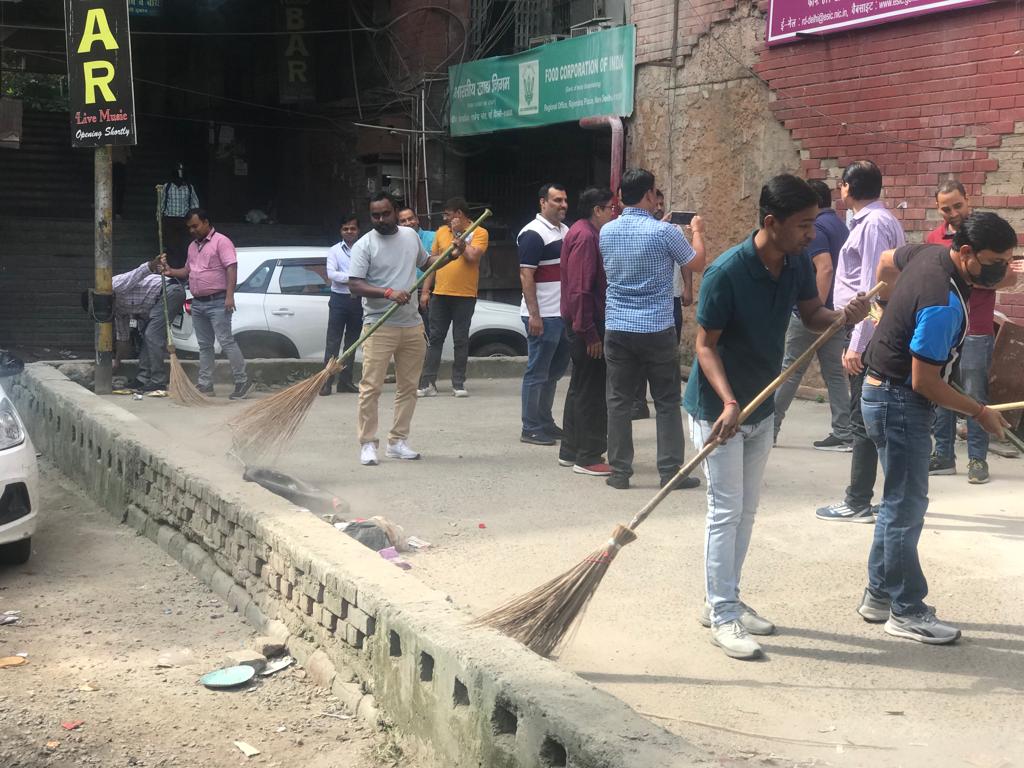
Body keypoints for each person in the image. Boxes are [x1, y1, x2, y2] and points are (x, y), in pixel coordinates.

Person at [684, 175, 870, 659]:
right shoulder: (725, 272)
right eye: (804, 224)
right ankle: (722, 614)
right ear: (772, 222)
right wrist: (728, 402)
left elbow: (812, 315)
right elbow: (704, 347)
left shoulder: (797, 263)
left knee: (746, 511)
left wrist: (844, 316)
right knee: (725, 510)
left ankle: (724, 597)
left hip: (761, 407)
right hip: (718, 410)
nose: (812, 233)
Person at [856, 212, 1016, 644]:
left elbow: (886, 261)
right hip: (898, 402)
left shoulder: (929, 254)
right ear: (966, 253)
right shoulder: (942, 303)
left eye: (1008, 260)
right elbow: (924, 381)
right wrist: (979, 412)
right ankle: (907, 609)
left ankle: (878, 595)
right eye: (996, 261)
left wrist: (887, 308)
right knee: (905, 508)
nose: (1003, 269)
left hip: (882, 393)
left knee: (897, 503)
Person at [601, 168, 706, 491]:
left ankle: (619, 472)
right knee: (666, 401)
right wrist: (697, 231)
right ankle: (670, 471)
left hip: (617, 325)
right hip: (656, 326)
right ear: (649, 194)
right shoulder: (666, 232)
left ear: (621, 196)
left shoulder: (607, 231)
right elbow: (697, 263)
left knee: (618, 401)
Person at [816, 161, 905, 522]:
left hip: (867, 331)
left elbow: (872, 288)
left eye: (842, 184)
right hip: (865, 328)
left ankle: (857, 501)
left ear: (849, 187)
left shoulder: (873, 225)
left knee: (863, 417)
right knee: (873, 416)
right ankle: (889, 500)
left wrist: (857, 344)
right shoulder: (872, 222)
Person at [347, 192, 463, 466]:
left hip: (412, 324)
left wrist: (452, 255)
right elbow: (355, 284)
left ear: (395, 211)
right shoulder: (364, 245)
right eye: (375, 215)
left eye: (385, 214)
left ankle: (397, 441)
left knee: (409, 387)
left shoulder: (410, 236)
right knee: (370, 388)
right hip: (378, 324)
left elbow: (426, 262)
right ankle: (367, 443)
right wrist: (387, 293)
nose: (380, 219)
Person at [925, 181, 1020, 482]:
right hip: (945, 327)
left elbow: (1008, 279)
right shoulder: (934, 239)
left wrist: (974, 278)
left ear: (968, 200)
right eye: (946, 208)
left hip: (976, 330)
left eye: (958, 205)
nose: (953, 212)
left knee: (976, 396)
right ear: (938, 208)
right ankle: (943, 455)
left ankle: (977, 459)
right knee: (940, 390)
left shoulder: (987, 236)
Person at [773, 179, 852, 449]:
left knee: (790, 371)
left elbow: (825, 268)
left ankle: (769, 428)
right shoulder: (840, 225)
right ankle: (844, 430)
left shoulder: (817, 229)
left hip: (816, 313)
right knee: (835, 375)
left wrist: (815, 307)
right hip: (836, 312)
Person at [161, 208, 251, 399]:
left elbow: (231, 268)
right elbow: (187, 271)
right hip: (198, 303)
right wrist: (170, 271)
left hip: (218, 300)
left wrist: (229, 296)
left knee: (226, 341)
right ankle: (205, 384)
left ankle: (242, 381)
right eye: (189, 227)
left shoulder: (222, 242)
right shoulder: (192, 246)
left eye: (195, 226)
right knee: (204, 345)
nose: (192, 230)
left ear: (206, 222)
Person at [558, 187, 616, 476]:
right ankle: (589, 455)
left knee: (580, 387)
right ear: (597, 210)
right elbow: (581, 289)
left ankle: (570, 449)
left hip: (582, 323)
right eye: (610, 208)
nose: (613, 214)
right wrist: (589, 332)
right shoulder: (586, 236)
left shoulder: (584, 232)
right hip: (586, 325)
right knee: (591, 392)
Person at [632, 189, 697, 419]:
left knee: (670, 349)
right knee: (640, 354)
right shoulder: (639, 229)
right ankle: (638, 401)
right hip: (645, 300)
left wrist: (688, 288)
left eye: (662, 204)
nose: (659, 208)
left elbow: (686, 261)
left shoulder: (674, 230)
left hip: (671, 298)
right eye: (656, 203)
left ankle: (669, 396)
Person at [417, 197, 489, 398]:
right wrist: (425, 291)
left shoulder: (479, 232)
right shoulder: (441, 232)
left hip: (465, 295)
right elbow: (433, 264)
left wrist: (459, 237)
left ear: (459, 214)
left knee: (460, 339)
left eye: (448, 214)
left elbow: (473, 256)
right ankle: (427, 383)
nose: (445, 218)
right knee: (435, 338)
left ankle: (458, 383)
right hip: (440, 294)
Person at [518, 183, 571, 445]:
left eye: (564, 200)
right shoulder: (533, 233)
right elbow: (526, 275)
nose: (563, 205)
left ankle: (545, 422)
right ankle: (530, 427)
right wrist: (534, 315)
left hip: (561, 314)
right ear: (543, 202)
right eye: (557, 200)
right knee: (537, 373)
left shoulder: (565, 230)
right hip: (543, 315)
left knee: (553, 373)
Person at [319, 215, 364, 396]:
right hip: (339, 300)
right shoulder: (334, 250)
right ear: (341, 231)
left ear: (358, 230)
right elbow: (331, 274)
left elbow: (370, 272)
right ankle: (326, 382)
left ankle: (345, 382)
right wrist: (355, 278)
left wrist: (351, 279)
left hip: (358, 300)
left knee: (352, 343)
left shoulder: (364, 249)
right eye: (346, 228)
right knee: (333, 342)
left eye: (353, 228)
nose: (349, 231)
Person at [108, 257, 164, 389]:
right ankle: (143, 378)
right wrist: (117, 361)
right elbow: (123, 338)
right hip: (154, 304)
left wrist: (153, 263)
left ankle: (158, 381)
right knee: (146, 336)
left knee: (152, 335)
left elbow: (140, 271)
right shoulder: (117, 311)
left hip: (167, 291)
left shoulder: (116, 285)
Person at [160, 163, 201, 269]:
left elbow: (195, 205)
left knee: (185, 246)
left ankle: (183, 269)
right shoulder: (167, 187)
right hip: (170, 220)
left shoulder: (189, 188)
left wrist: (193, 219)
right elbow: (161, 204)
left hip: (184, 221)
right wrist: (160, 218)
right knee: (171, 246)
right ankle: (172, 269)